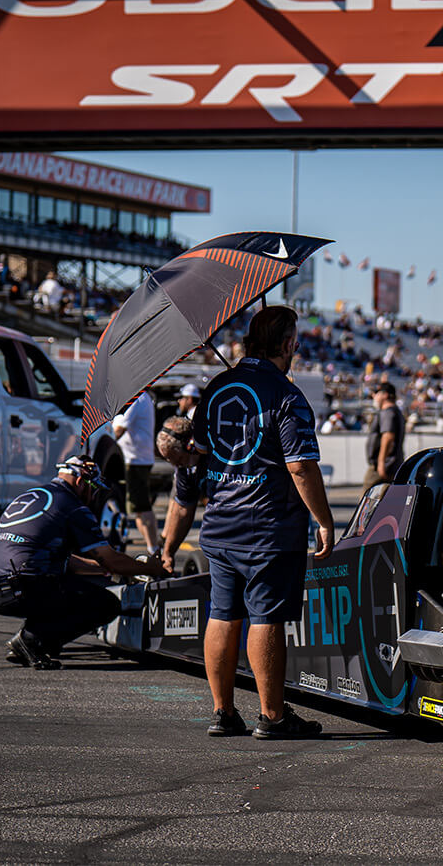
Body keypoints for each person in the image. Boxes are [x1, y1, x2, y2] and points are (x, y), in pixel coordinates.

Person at [159, 305, 335, 739]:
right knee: (265, 619)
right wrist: (325, 520)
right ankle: (272, 716)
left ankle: (223, 712)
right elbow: (300, 467)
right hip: (268, 527)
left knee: (222, 614)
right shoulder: (286, 395)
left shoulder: (216, 386)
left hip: (219, 524)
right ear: (290, 343)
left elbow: (198, 451)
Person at [0, 455, 168, 669]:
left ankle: (38, 639)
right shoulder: (72, 506)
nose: (93, 496)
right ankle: (31, 641)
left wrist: (100, 570)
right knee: (106, 604)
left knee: (59, 581)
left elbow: (62, 559)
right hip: (20, 584)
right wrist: (151, 567)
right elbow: (110, 559)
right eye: (93, 489)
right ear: (80, 482)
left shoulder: (34, 495)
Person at [112, 390, 159, 556]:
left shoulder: (136, 398)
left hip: (135, 460)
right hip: (134, 459)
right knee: (137, 507)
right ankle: (153, 548)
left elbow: (119, 429)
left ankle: (154, 551)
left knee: (140, 506)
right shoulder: (138, 397)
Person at [363, 381, 404, 492]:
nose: (374, 397)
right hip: (391, 464)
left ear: (385, 395)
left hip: (384, 465)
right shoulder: (395, 412)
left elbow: (388, 437)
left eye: (377, 393)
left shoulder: (388, 412)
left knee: (367, 503)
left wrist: (381, 463)